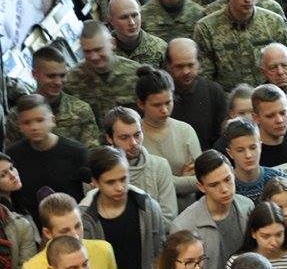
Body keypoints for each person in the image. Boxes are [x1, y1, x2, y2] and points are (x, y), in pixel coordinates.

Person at [80, 146, 165, 269]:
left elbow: (160, 254)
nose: (119, 187)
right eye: (110, 182)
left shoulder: (147, 207)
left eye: (123, 179)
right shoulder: (84, 219)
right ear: (95, 182)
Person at [172, 150, 255, 269]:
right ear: (201, 187)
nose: (224, 189)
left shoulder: (247, 206)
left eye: (227, 179)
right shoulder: (183, 225)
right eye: (214, 184)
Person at [16, 193, 120, 269]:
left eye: (78, 226)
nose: (75, 236)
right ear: (48, 233)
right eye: (65, 231)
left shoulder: (104, 250)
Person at [193, 0, 287, 93]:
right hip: (228, 99)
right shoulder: (206, 28)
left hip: (269, 97)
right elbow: (206, 80)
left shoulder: (274, 22)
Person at [7, 95, 89, 225]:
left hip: (71, 225)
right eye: (27, 123)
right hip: (31, 228)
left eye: (40, 120)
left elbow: (89, 196)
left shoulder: (77, 153)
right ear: (20, 126)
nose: (34, 127)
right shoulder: (12, 156)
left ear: (52, 120)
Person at [136, 66, 204, 213]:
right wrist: (182, 180)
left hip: (188, 212)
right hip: (151, 216)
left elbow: (202, 179)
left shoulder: (185, 131)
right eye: (157, 105)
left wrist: (162, 182)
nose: (165, 110)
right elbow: (141, 185)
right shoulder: (135, 137)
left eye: (168, 102)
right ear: (141, 104)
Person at [5, 46, 98, 150]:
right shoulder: (17, 115)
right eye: (51, 76)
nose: (58, 82)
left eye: (62, 75)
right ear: (34, 74)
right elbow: (12, 155)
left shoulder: (81, 110)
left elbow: (92, 152)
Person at [102, 106, 178, 228]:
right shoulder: (100, 171)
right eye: (124, 137)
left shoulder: (160, 166)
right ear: (109, 138)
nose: (133, 143)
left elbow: (168, 218)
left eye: (137, 135)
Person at [107, 0, 167, 68]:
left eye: (134, 15)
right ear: (111, 20)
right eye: (124, 17)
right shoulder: (104, 51)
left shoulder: (160, 48)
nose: (131, 22)